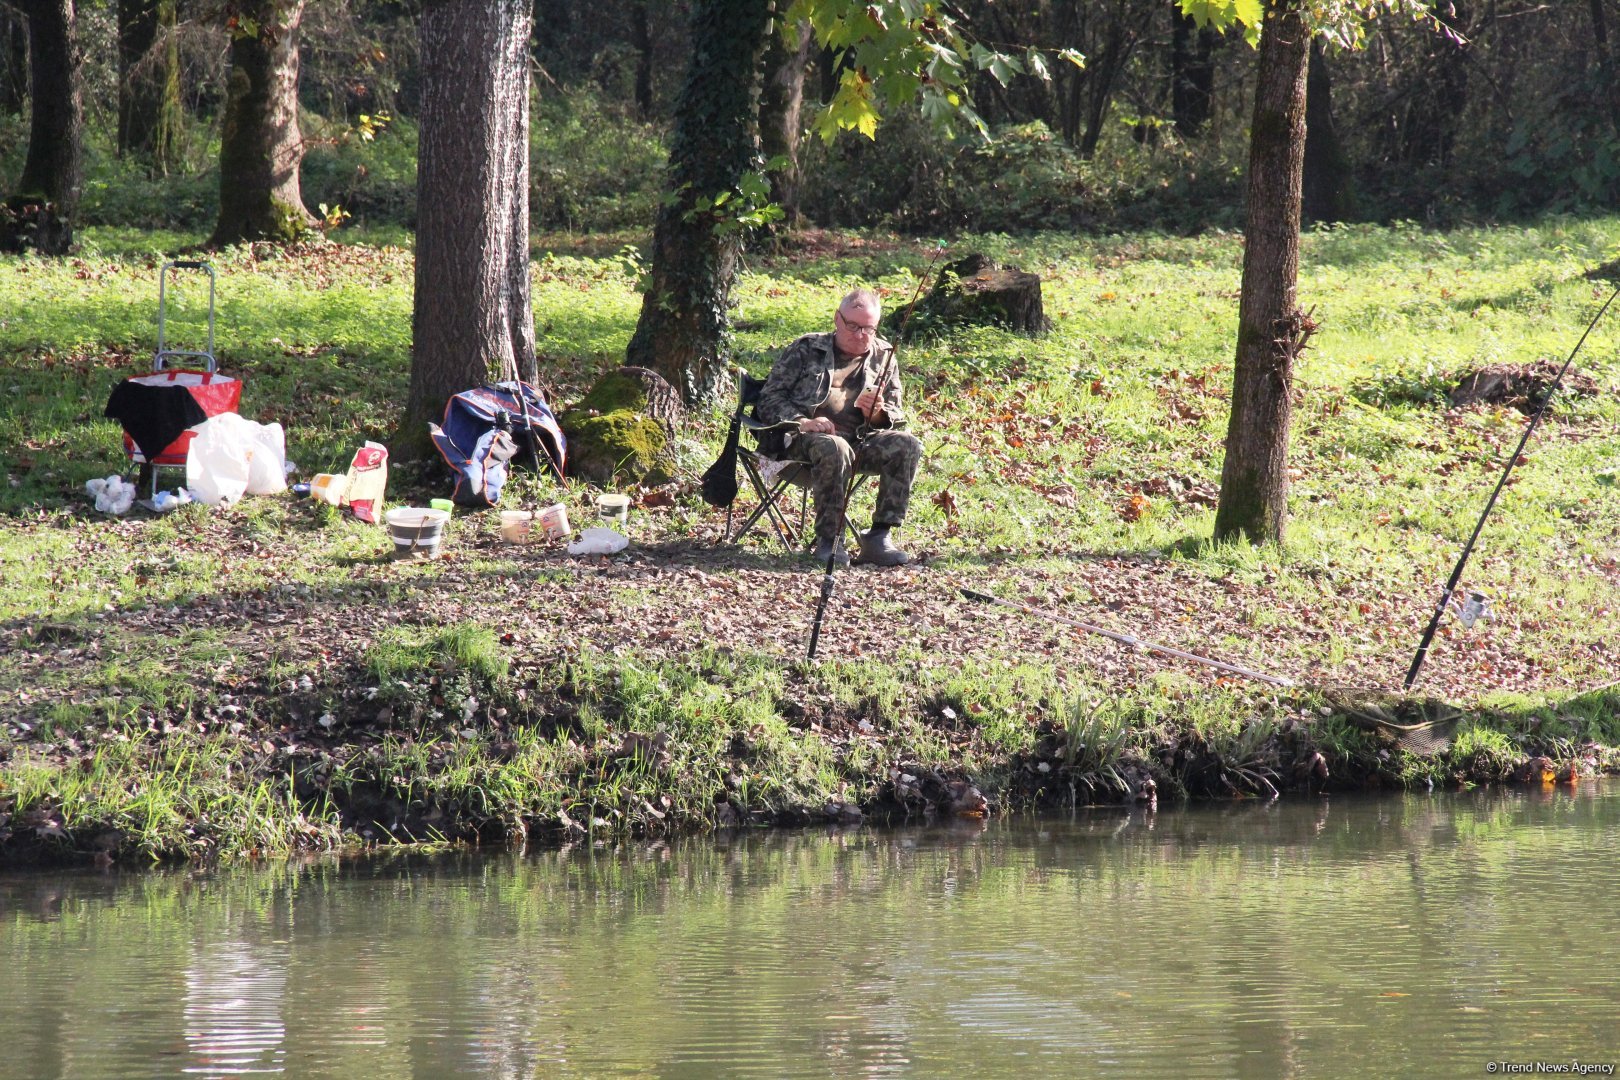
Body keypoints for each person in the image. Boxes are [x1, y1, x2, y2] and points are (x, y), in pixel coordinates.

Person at [756, 287, 923, 567]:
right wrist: (803, 422)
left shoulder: (884, 356)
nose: (860, 335)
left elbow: (896, 411)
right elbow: (769, 398)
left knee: (908, 444)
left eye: (868, 329)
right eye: (852, 326)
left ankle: (879, 537)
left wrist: (877, 414)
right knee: (835, 446)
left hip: (859, 441)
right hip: (802, 441)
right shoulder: (807, 348)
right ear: (837, 319)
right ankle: (830, 540)